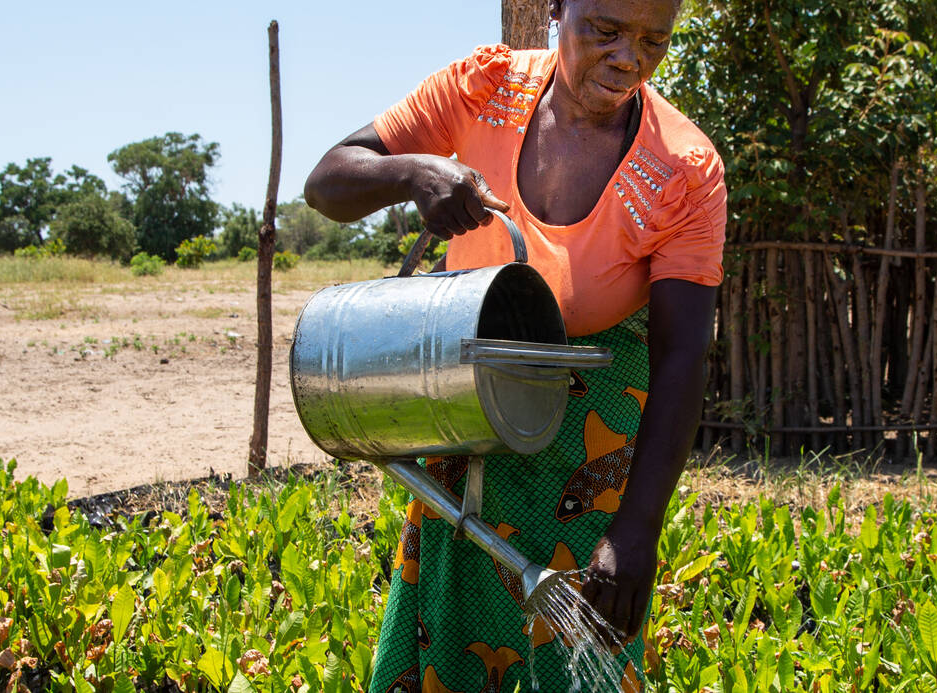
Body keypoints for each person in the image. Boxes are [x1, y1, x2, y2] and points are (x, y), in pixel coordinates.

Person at [304, 0, 722, 688]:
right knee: (454, 618)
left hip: (590, 439)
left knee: (579, 642)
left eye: (655, 40)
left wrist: (637, 528)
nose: (629, 60)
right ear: (558, 7)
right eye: (606, 31)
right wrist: (412, 173)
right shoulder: (483, 90)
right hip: (464, 411)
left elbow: (681, 352)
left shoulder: (683, 168)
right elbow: (327, 184)